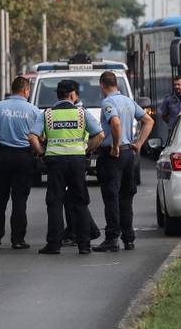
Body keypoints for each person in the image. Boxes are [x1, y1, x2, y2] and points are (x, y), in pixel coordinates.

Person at [38, 80, 105, 255]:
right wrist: (86, 149)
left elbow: (32, 136)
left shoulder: (47, 114)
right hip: (77, 161)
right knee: (80, 202)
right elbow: (100, 135)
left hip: (54, 162)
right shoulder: (82, 114)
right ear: (73, 95)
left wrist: (41, 152)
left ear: (58, 94)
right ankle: (84, 245)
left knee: (55, 203)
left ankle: (54, 244)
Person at [94, 71, 154, 252]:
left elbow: (116, 123)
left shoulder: (108, 102)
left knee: (111, 197)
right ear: (116, 84)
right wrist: (139, 144)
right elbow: (148, 121)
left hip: (114, 155)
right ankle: (129, 238)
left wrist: (115, 145)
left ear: (102, 85)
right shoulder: (128, 101)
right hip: (130, 155)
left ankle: (112, 238)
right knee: (126, 197)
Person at [0, 76, 44, 249]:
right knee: (19, 199)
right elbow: (39, 136)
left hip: (2, 156)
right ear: (26, 90)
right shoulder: (33, 110)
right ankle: (18, 239)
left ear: (12, 89)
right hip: (24, 157)